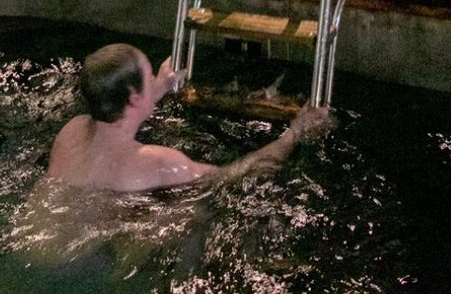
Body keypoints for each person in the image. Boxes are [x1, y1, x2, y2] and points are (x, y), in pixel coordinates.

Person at [44, 42, 329, 192]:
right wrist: (296, 131)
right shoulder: (159, 163)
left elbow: (118, 109)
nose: (154, 78)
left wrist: (157, 88)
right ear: (132, 97)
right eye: (149, 75)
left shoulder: (71, 132)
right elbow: (236, 173)